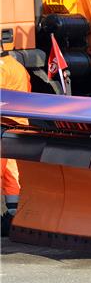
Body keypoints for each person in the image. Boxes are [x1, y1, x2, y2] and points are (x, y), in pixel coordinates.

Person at [0, 49, 31, 236]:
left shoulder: (2, 69)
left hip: (3, 125)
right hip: (19, 125)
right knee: (12, 174)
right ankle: (13, 214)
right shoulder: (18, 67)